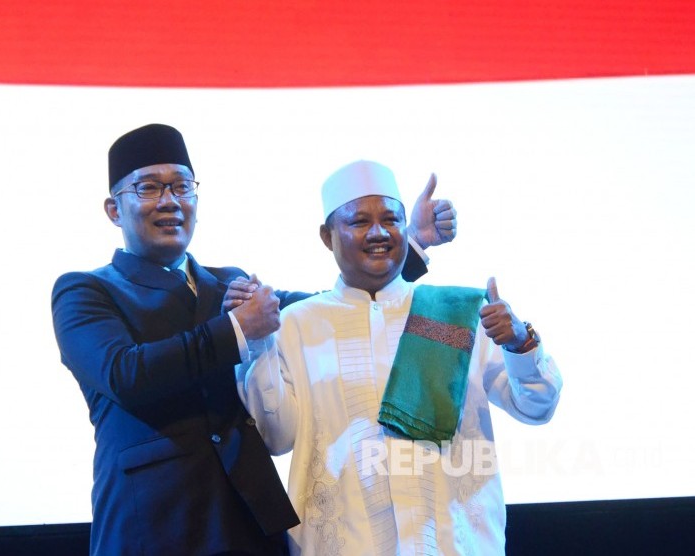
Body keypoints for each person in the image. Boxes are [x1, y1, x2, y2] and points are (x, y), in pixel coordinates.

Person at [51, 125, 457, 555]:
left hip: (248, 525)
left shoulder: (228, 283)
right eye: (149, 187)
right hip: (151, 525)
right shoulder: (85, 290)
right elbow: (125, 374)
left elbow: (332, 310)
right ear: (114, 209)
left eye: (182, 186)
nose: (169, 201)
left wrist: (403, 245)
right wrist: (237, 328)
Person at [236, 160, 563, 555]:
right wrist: (256, 348)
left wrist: (519, 344)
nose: (378, 233)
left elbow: (536, 407)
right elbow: (276, 437)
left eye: (391, 219)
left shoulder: (456, 310)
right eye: (359, 222)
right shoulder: (295, 326)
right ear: (327, 236)